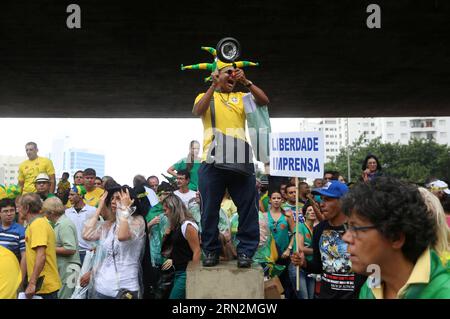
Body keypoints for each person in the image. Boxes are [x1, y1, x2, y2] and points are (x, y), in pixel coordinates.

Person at [193, 58, 270, 268]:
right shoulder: (206, 96)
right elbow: (197, 111)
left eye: (236, 73)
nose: (233, 77)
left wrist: (247, 82)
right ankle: (210, 251)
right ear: (217, 75)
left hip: (240, 159)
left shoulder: (242, 97)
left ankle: (245, 251)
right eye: (229, 72)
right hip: (211, 160)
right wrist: (212, 85)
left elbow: (264, 101)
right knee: (209, 209)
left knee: (248, 207)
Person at [341, 177, 450, 298]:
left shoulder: (443, 292)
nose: (345, 237)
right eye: (348, 227)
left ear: (395, 237)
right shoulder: (371, 287)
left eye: (356, 228)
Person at [291, 180, 365, 299]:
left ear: (343, 202)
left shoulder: (359, 229)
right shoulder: (319, 229)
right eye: (322, 199)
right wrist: (303, 263)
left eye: (328, 199)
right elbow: (318, 266)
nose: (321, 204)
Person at [81, 184, 146, 299]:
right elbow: (86, 235)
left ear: (129, 201)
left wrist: (125, 211)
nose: (113, 201)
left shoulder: (138, 221)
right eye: (111, 199)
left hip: (125, 289)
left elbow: (122, 236)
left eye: (118, 198)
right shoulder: (109, 224)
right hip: (101, 287)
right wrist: (99, 208)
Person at [160, 194, 201, 299]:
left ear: (173, 208)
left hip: (185, 272)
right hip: (178, 271)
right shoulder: (176, 226)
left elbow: (197, 251)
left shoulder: (187, 225)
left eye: (165, 210)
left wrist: (193, 275)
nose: (164, 213)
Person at [21, 193, 61, 299]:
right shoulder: (35, 224)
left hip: (44, 286)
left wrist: (32, 283)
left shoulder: (38, 224)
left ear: (27, 208)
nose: (18, 210)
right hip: (40, 286)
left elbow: (41, 255)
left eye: (19, 207)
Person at [43, 197, 81, 299]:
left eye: (45, 212)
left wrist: (48, 249)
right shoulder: (60, 223)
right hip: (64, 269)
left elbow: (70, 249)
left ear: (51, 212)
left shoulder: (64, 224)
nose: (44, 215)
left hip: (68, 270)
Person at [266, 190, 295, 298]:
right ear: (270, 200)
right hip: (269, 255)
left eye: (278, 198)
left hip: (284, 254)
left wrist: (289, 249)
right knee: (270, 283)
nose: (276, 200)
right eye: (274, 198)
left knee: (286, 282)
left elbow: (295, 233)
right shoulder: (264, 215)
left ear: (282, 200)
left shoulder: (287, 216)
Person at [288, 203, 317, 299]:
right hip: (298, 267)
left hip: (311, 267)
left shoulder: (317, 229)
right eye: (309, 210)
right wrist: (317, 251)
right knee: (304, 297)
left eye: (314, 210)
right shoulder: (300, 226)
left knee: (311, 296)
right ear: (304, 214)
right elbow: (300, 248)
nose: (312, 212)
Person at [65, 185, 97, 265]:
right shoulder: (67, 212)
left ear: (80, 195)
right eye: (69, 195)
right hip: (72, 253)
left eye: (72, 195)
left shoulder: (92, 211)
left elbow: (98, 230)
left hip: (87, 252)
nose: (69, 197)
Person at [0, 198, 26, 262]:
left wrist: (21, 272)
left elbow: (24, 257)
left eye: (12, 210)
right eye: (5, 211)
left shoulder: (21, 231)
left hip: (12, 269)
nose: (9, 214)